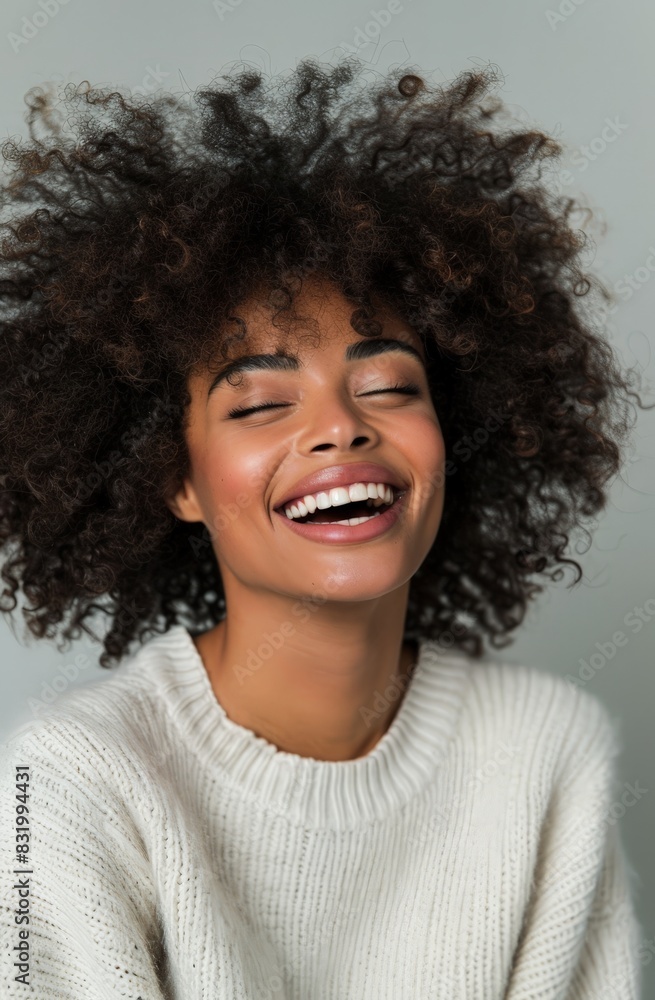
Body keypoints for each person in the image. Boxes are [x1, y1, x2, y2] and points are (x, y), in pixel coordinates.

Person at [0, 56, 648, 998]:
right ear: (171, 477)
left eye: (388, 386)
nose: (340, 426)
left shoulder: (547, 752)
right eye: (259, 404)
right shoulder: (69, 779)